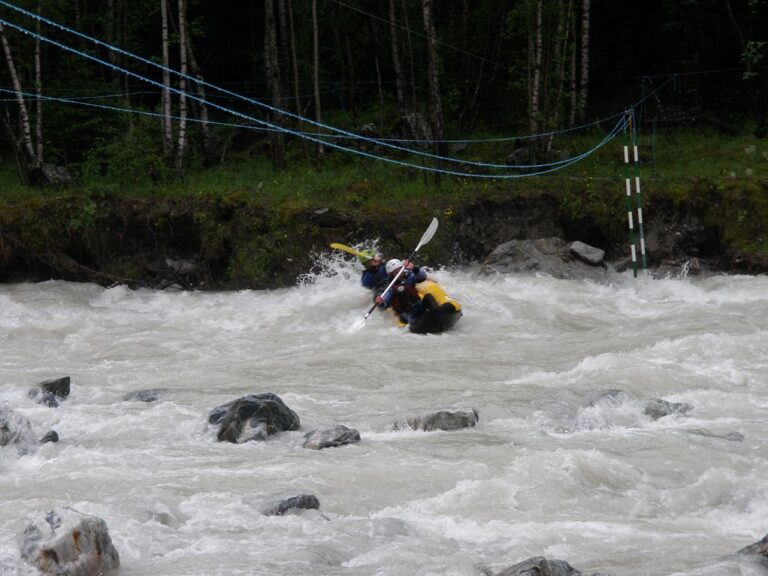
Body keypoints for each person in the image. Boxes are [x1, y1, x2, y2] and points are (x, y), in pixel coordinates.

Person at [374, 258, 428, 323]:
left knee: (428, 297)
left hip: (417, 305)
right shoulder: (389, 286)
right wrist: (381, 302)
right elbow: (385, 297)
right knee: (403, 317)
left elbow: (422, 277)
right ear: (391, 274)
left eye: (400, 270)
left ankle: (437, 312)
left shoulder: (408, 276)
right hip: (406, 312)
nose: (400, 273)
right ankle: (416, 324)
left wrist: (414, 268)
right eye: (397, 272)